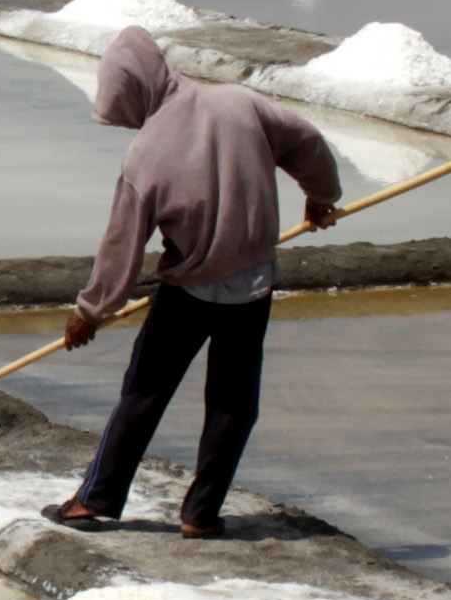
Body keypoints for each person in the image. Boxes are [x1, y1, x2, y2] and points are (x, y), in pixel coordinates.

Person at [44, 28, 341, 539]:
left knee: (143, 393)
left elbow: (122, 245)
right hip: (252, 285)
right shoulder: (242, 103)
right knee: (233, 403)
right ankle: (201, 514)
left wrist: (90, 311)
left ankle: (94, 500)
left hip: (189, 292)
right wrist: (321, 196)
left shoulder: (147, 153)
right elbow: (307, 143)